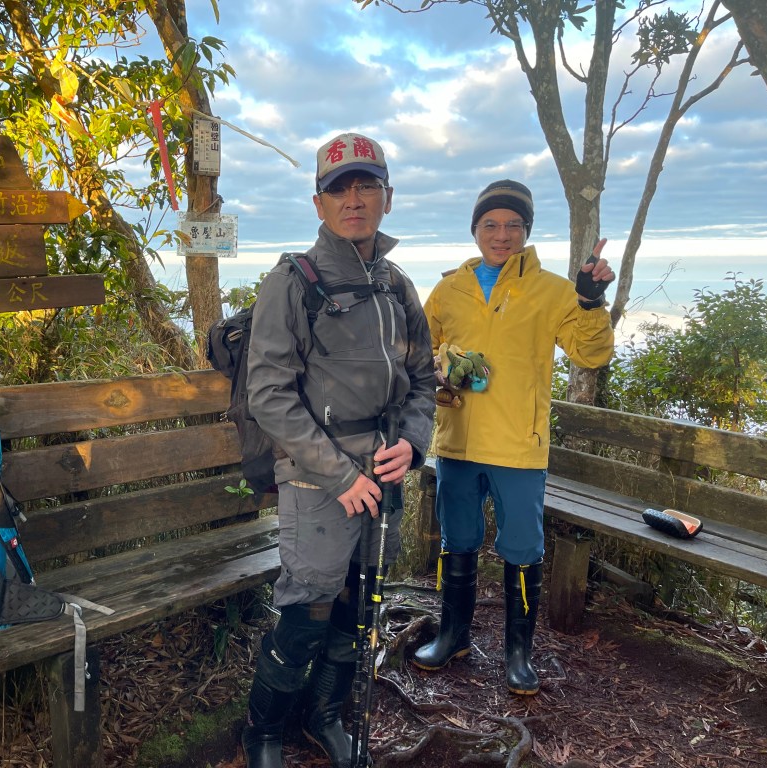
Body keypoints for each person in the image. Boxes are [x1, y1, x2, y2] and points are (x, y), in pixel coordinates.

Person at [240, 133, 437, 768]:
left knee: (359, 605)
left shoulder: (396, 285)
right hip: (317, 478)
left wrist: (413, 443)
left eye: (366, 186)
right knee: (308, 609)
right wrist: (339, 475)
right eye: (338, 189)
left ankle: (322, 715)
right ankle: (263, 733)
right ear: (319, 203)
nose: (354, 199)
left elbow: (423, 380)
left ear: (387, 197)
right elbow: (269, 395)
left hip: (385, 473)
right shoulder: (293, 281)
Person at [414, 179, 615, 696]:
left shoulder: (552, 290)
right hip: (458, 440)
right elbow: (417, 353)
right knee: (457, 541)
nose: (501, 235)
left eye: (512, 225)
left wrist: (591, 301)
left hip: (519, 447)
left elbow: (590, 354)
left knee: (522, 548)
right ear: (475, 230)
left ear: (526, 231)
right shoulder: (449, 290)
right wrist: (441, 367)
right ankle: (453, 636)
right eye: (490, 224)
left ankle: (518, 653)